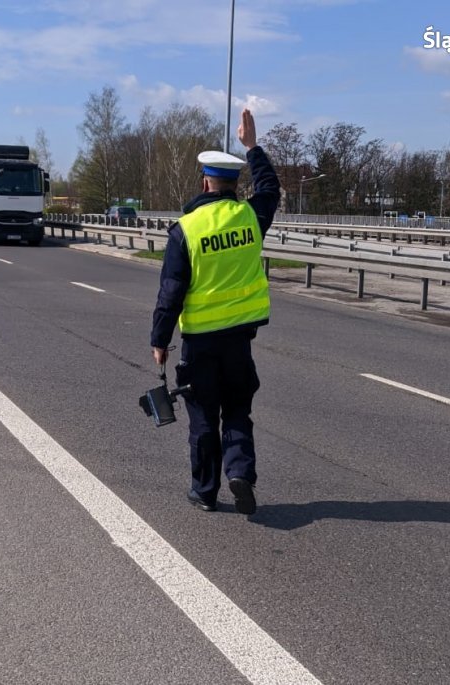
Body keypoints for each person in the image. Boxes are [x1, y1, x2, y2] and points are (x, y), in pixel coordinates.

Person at [150, 108, 281, 516]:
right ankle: (240, 472)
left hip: (200, 344)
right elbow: (271, 189)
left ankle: (205, 491)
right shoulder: (250, 217)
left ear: (205, 182)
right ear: (234, 184)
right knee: (238, 408)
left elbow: (171, 292)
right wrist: (252, 147)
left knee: (204, 416)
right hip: (239, 341)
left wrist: (159, 340)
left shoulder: (186, 229)